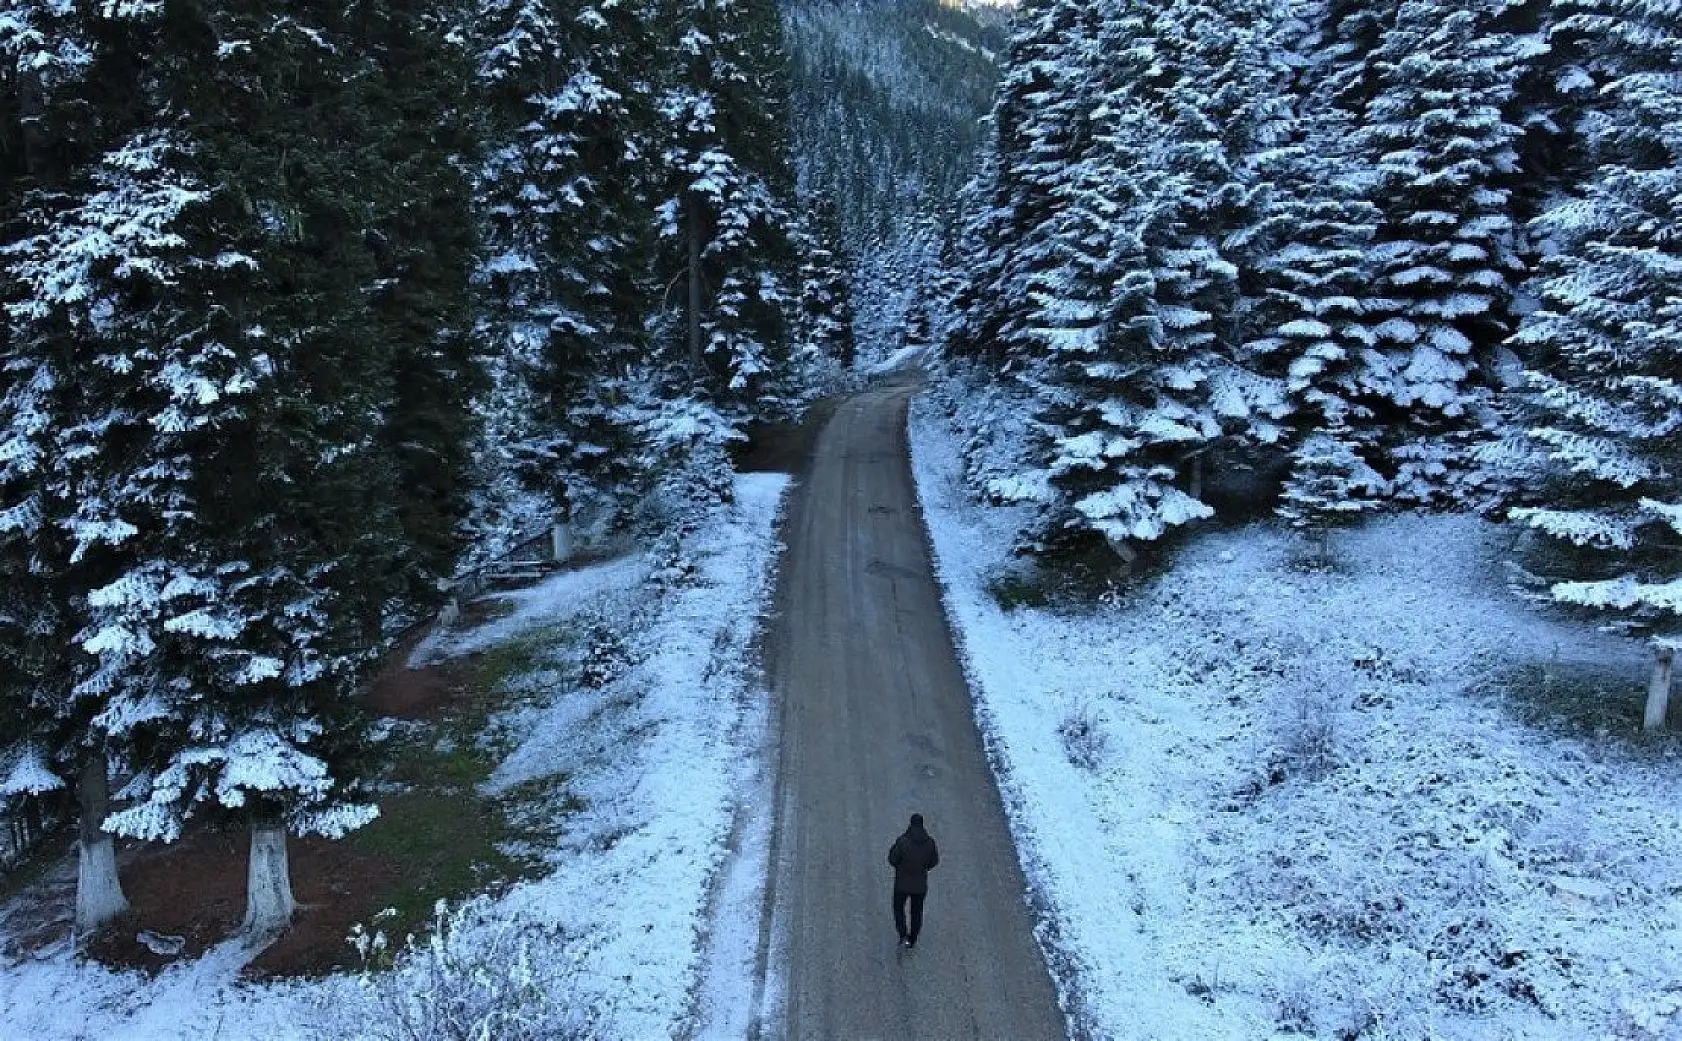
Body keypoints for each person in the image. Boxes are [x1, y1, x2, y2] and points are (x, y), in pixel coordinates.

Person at [887, 813, 939, 949]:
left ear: (910, 824)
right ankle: (912, 939)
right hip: (920, 885)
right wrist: (924, 868)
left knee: (898, 908)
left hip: (901, 883)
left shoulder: (902, 841)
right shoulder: (930, 843)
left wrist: (900, 867)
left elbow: (892, 859)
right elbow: (934, 861)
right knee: (916, 912)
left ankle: (903, 934)